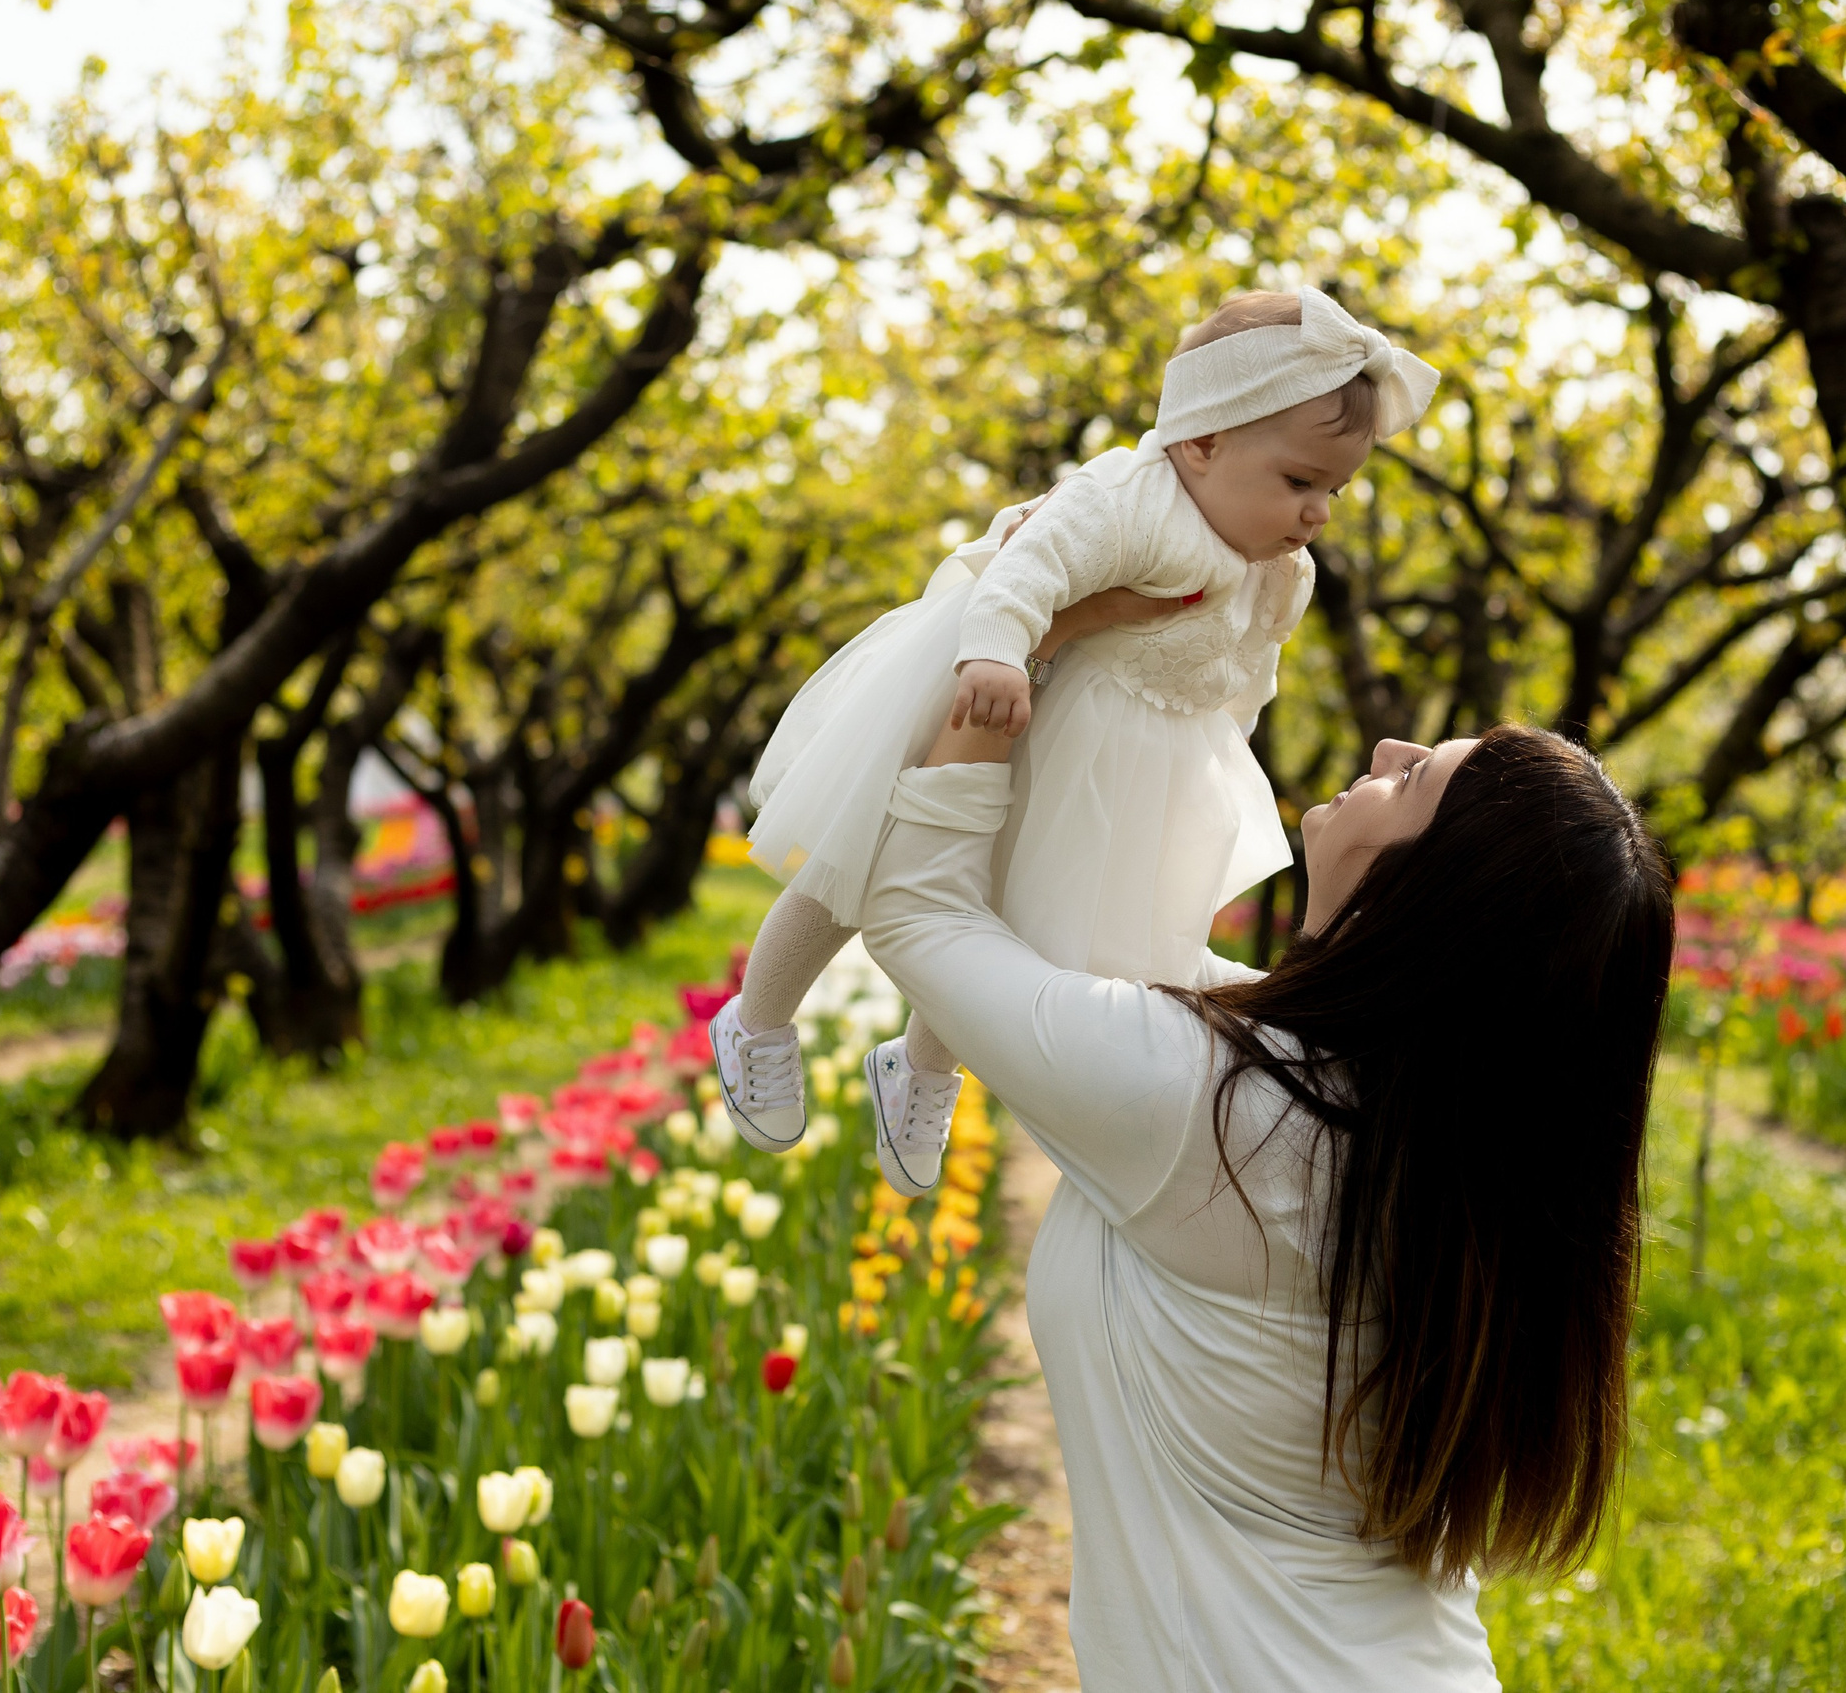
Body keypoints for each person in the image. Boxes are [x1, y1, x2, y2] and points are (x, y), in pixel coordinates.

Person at [857, 718, 1676, 1690]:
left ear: (1425, 905)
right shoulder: (1437, 1145)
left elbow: (914, 913)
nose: (1382, 751)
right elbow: (1103, 942)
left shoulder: (1217, 1107)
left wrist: (989, 683)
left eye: (1413, 782)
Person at [714, 289, 1441, 1197]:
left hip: (1110, 759)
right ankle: (758, 1018)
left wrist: (1218, 752)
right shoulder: (1132, 498)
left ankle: (924, 1069)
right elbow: (1030, 564)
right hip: (1003, 693)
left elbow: (1247, 671)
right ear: (1202, 440)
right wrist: (995, 652)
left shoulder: (1278, 573)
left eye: (1333, 491)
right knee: (856, 863)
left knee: (1003, 911)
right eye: (1299, 482)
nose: (1317, 514)